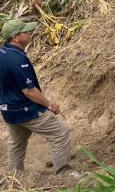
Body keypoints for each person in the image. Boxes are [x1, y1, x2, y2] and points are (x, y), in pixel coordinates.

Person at [0, 19, 72, 174]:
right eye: (26, 32)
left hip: (9, 110)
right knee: (60, 132)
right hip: (27, 110)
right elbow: (29, 91)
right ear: (15, 37)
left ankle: (14, 178)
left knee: (16, 144)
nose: (30, 33)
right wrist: (49, 104)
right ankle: (64, 172)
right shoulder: (17, 60)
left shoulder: (3, 53)